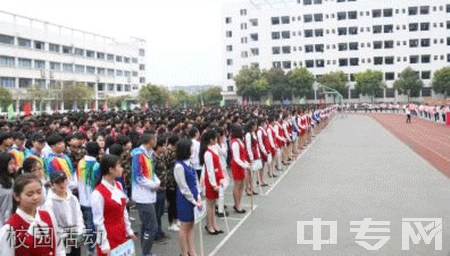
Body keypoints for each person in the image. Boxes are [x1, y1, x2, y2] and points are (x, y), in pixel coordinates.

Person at [0, 173, 62, 255]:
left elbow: (58, 247)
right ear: (17, 196)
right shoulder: (9, 228)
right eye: (29, 194)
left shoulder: (46, 215)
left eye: (39, 192)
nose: (36, 197)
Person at [91, 154, 137, 256]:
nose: (122, 169)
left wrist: (128, 230)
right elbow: (98, 222)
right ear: (111, 169)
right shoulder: (98, 193)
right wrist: (104, 244)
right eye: (119, 166)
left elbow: (123, 210)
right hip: (108, 236)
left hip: (121, 232)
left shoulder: (118, 185)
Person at [131, 133, 160, 256]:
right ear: (151, 140)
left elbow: (151, 173)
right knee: (152, 227)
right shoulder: (138, 155)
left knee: (146, 225)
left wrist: (156, 181)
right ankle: (146, 252)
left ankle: (146, 251)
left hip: (149, 194)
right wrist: (153, 185)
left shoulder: (149, 154)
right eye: (156, 138)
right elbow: (138, 177)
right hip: (142, 196)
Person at [43, 172, 85, 256]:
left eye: (63, 181)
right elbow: (53, 224)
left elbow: (79, 217)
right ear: (52, 184)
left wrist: (79, 232)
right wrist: (65, 237)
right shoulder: (49, 203)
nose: (61, 184)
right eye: (58, 182)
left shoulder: (73, 198)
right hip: (61, 242)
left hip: (76, 238)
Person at [174, 138, 203, 256]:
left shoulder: (190, 162)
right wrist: (194, 200)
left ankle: (192, 251)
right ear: (186, 149)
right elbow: (183, 187)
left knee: (191, 224)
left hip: (195, 197)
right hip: (185, 200)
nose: (193, 148)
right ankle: (184, 252)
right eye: (191, 146)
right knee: (184, 226)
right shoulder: (179, 166)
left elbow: (196, 181)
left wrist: (199, 196)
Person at [76, 142, 101, 256]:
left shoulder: (80, 162)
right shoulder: (96, 165)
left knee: (87, 223)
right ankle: (91, 249)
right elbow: (97, 183)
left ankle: (91, 247)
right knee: (91, 225)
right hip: (92, 199)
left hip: (82, 197)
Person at [199, 129, 224, 235]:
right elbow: (210, 170)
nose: (217, 139)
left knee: (213, 204)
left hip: (216, 179)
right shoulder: (207, 153)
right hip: (211, 182)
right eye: (215, 138)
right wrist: (214, 185)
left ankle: (214, 224)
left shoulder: (213, 148)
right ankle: (209, 225)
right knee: (210, 204)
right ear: (211, 139)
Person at [153, 136, 171, 241]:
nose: (165, 147)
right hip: (157, 189)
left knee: (160, 212)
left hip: (163, 187)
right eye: (163, 145)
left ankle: (159, 231)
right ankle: (156, 234)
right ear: (158, 147)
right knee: (156, 212)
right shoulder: (153, 159)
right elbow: (152, 174)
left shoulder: (161, 156)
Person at [229, 125, 250, 214]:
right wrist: (246, 166)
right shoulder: (235, 143)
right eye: (241, 130)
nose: (243, 131)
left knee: (241, 185)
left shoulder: (239, 141)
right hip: (236, 166)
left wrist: (247, 163)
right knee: (237, 185)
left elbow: (242, 156)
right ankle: (237, 204)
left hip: (241, 164)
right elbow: (236, 158)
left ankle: (239, 202)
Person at [166, 134, 180, 232]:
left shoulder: (174, 151)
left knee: (175, 201)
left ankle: (176, 220)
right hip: (170, 180)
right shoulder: (169, 152)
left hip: (175, 178)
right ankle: (171, 223)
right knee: (172, 202)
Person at [0, 152, 16, 226]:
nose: (13, 166)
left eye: (14, 163)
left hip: (9, 219)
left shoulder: (12, 180)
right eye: (10, 164)